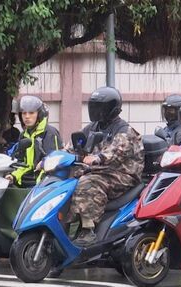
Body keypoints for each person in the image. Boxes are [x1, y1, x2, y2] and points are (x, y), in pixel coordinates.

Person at [71, 86, 145, 246]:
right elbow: (74, 146)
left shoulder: (125, 131)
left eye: (100, 107)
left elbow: (115, 152)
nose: (96, 111)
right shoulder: (92, 128)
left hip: (122, 175)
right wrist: (53, 157)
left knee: (88, 182)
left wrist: (97, 158)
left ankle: (88, 230)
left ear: (111, 109)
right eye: (94, 107)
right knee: (68, 177)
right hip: (100, 171)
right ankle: (68, 224)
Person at [8, 95, 62, 187]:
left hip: (44, 184)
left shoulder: (50, 133)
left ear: (39, 114)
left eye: (31, 113)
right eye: (24, 113)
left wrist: (43, 164)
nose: (27, 117)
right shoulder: (23, 135)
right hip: (27, 182)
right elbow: (22, 163)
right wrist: (12, 176)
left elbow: (55, 161)